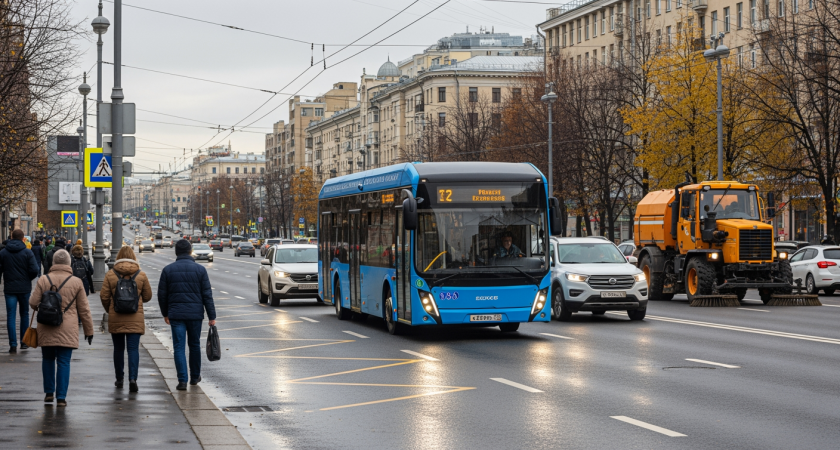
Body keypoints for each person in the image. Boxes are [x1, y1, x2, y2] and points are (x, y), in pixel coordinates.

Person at [30, 249, 94, 406]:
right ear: (68, 263)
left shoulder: (44, 279)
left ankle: (49, 393)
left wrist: (45, 308)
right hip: (68, 327)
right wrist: (89, 331)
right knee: (64, 361)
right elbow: (84, 310)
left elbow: (32, 302)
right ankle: (61, 398)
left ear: (53, 263)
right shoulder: (76, 282)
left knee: (48, 359)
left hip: (46, 326)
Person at [158, 239, 216, 391]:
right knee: (194, 345)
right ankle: (195, 377)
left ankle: (182, 380)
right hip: (195, 315)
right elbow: (207, 295)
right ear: (190, 252)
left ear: (176, 252)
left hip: (176, 314)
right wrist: (212, 316)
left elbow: (162, 295)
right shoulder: (200, 270)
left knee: (178, 347)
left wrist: (165, 313)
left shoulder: (168, 270)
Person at [100, 246, 152, 392]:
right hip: (135, 317)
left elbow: (104, 296)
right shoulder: (140, 274)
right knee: (133, 349)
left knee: (118, 349)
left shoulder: (111, 274)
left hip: (116, 316)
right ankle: (133, 379)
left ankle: (119, 379)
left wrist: (110, 309)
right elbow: (147, 297)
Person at [0, 229, 39, 353]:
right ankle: (24, 342)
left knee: (11, 316)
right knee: (24, 314)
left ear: (11, 237)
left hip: (10, 288)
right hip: (24, 288)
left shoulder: (3, 253)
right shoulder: (27, 253)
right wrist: (27, 279)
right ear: (23, 239)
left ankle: (12, 345)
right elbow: (35, 269)